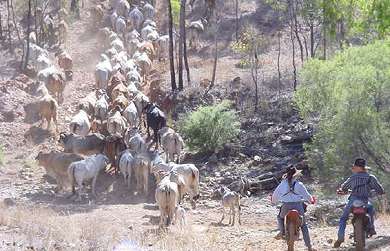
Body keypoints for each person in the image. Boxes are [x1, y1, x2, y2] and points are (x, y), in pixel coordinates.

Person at [333, 158, 385, 248]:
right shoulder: (371, 177)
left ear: (357, 167)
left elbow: (344, 187)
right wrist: (377, 192)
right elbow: (380, 190)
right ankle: (371, 228)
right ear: (364, 167)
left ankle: (340, 237)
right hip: (365, 201)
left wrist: (342, 191)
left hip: (353, 200)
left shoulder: (353, 177)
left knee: (343, 218)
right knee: (371, 210)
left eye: (354, 167)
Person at [271, 165, 316, 251]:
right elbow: (307, 196)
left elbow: (274, 196)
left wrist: (273, 201)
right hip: (298, 206)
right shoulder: (299, 184)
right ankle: (309, 246)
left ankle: (282, 232)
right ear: (295, 174)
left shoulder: (282, 184)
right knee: (303, 225)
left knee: (280, 217)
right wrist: (311, 201)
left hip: (285, 206)